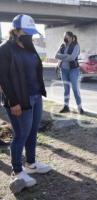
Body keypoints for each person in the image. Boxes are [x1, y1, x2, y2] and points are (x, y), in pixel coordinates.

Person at [0, 14, 52, 190]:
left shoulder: (29, 47)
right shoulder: (5, 49)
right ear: (15, 30)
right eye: (26, 31)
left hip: (35, 96)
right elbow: (3, 79)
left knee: (32, 131)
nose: (29, 35)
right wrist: (13, 102)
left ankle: (31, 163)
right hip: (19, 99)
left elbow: (36, 68)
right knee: (21, 134)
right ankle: (17, 170)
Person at [55, 32, 84, 114]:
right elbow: (56, 55)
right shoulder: (62, 45)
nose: (65, 38)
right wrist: (66, 56)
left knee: (75, 89)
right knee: (66, 89)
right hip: (63, 70)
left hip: (73, 70)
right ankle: (66, 106)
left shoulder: (76, 46)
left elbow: (72, 58)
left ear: (71, 37)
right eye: (64, 37)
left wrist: (63, 56)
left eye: (66, 37)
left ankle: (79, 107)